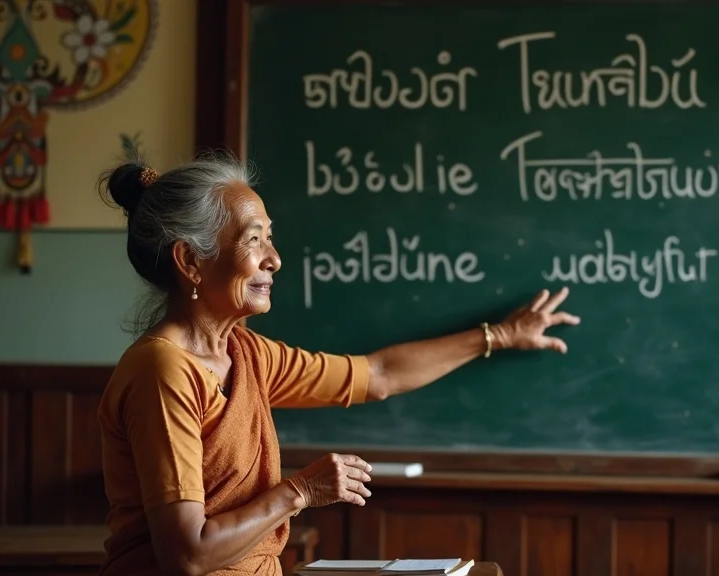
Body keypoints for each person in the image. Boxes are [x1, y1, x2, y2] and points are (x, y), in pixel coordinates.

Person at [95, 151, 580, 576]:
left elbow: (381, 375)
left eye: (270, 238)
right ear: (190, 261)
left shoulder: (246, 354)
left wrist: (501, 335)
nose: (275, 259)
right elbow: (188, 556)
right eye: (254, 239)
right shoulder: (163, 371)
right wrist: (300, 491)